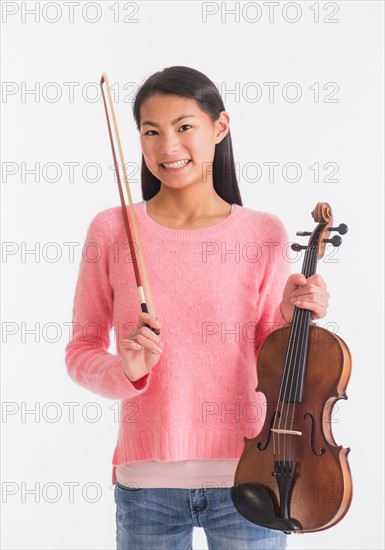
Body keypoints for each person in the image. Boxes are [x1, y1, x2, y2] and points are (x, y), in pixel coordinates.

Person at [65, 66, 329, 550]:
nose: (167, 147)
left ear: (220, 128)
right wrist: (125, 370)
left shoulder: (262, 232)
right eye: (151, 131)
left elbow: (270, 358)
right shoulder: (111, 230)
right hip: (146, 485)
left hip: (251, 475)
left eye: (185, 126)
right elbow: (81, 350)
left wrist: (295, 323)